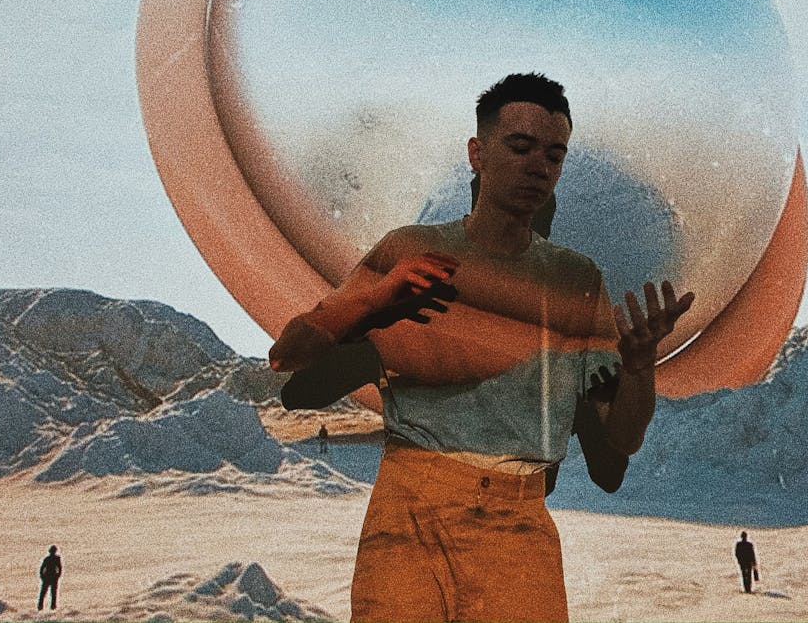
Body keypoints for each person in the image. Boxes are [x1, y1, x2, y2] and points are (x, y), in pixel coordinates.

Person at [270, 73, 695, 623]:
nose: (538, 165)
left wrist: (639, 369)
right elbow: (289, 357)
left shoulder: (577, 280)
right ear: (478, 153)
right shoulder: (410, 250)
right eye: (520, 146)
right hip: (410, 515)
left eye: (554, 154)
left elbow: (622, 440)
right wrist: (367, 303)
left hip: (518, 525)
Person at [37, 545, 62, 611]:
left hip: (52, 577)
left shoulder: (56, 558)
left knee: (52, 593)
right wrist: (42, 576)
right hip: (48, 577)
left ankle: (52, 607)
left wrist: (58, 576)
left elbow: (59, 568)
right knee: (44, 593)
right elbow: (42, 568)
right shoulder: (48, 559)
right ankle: (41, 607)